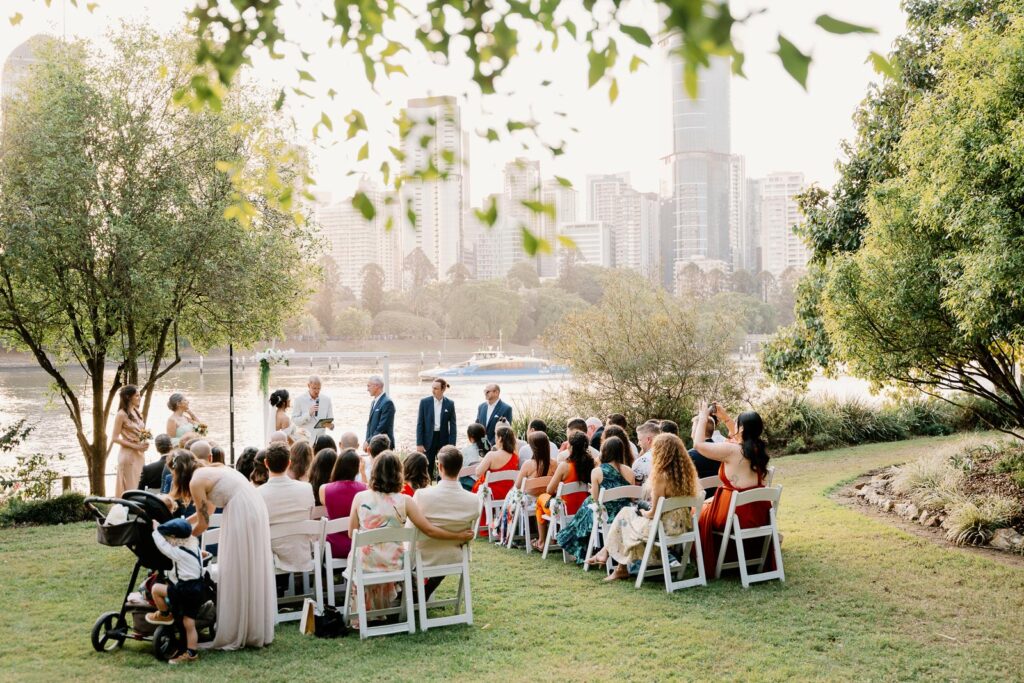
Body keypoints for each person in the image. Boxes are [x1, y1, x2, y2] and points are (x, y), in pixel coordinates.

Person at [347, 451, 474, 618]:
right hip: (395, 563)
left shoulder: (359, 498)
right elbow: (428, 529)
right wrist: (458, 537)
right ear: (398, 473)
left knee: (360, 554)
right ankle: (396, 606)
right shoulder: (406, 501)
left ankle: (369, 611)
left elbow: (351, 534)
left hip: (365, 563)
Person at [169, 451, 275, 649]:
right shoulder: (210, 470)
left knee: (237, 567)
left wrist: (178, 541)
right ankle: (250, 625)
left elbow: (203, 524)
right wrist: (179, 525)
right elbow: (207, 512)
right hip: (251, 506)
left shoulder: (196, 482)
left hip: (241, 510)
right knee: (246, 565)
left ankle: (239, 629)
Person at [588, 433, 699, 580]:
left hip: (664, 528)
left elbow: (653, 513)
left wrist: (642, 512)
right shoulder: (687, 475)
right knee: (626, 515)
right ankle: (612, 559)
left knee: (625, 515)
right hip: (683, 525)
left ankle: (611, 558)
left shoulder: (661, 476)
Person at [695, 405, 773, 577]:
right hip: (759, 512)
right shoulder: (757, 450)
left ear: (742, 428)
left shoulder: (732, 450)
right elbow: (738, 436)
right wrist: (726, 418)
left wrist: (703, 417)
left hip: (736, 515)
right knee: (707, 505)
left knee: (697, 512)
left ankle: (705, 561)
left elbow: (699, 445)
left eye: (737, 423)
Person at [411, 446, 480, 599]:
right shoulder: (474, 500)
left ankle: (412, 595)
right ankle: (419, 594)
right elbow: (469, 534)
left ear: (439, 467)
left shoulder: (421, 495)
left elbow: (410, 531)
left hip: (422, 557)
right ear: (460, 468)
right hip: (455, 557)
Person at [557, 435, 636, 563]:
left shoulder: (597, 472)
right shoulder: (630, 471)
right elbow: (632, 498)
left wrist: (592, 490)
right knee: (586, 507)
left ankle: (579, 549)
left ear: (604, 451)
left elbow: (595, 500)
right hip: (624, 515)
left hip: (606, 516)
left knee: (587, 506)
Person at [147, 517, 207, 665]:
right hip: (198, 588)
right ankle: (191, 653)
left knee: (156, 589)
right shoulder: (194, 546)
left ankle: (164, 614)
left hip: (185, 590)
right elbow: (199, 554)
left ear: (173, 538)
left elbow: (163, 547)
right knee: (189, 622)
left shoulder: (178, 552)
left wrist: (156, 531)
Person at [257, 443, 316, 575]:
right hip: (302, 549)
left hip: (271, 553)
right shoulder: (306, 488)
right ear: (289, 463)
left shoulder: (258, 493)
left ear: (266, 463)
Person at [534, 431, 593, 551]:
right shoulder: (591, 464)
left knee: (541, 499)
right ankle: (551, 539)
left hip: (565, 510)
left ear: (570, 447)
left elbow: (549, 490)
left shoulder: (565, 466)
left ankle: (541, 541)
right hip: (584, 509)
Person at [320, 449, 366, 560]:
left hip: (333, 547)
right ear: (356, 469)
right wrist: (363, 473)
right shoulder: (364, 488)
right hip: (357, 546)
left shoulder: (324, 489)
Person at [416, 378, 457, 481]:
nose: (433, 390)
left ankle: (441, 487)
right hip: (428, 439)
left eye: (436, 388)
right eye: (432, 388)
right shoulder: (424, 402)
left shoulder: (450, 404)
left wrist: (452, 445)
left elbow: (453, 426)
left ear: (443, 389)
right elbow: (420, 424)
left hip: (444, 439)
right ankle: (427, 488)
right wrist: (419, 443)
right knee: (427, 466)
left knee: (444, 467)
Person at [112, 385, 149, 497]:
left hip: (139, 454)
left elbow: (140, 431)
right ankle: (127, 511)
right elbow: (114, 438)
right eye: (137, 395)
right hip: (128, 455)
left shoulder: (137, 412)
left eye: (139, 395)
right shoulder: (121, 414)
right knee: (131, 488)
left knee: (140, 486)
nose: (140, 397)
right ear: (128, 397)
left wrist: (144, 441)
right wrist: (135, 446)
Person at [689, 411, 723, 500]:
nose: (691, 433)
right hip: (718, 501)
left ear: (698, 430)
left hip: (697, 505)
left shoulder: (689, 456)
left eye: (692, 429)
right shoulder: (723, 453)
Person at [292, 376, 335, 443]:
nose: (317, 391)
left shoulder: (327, 400)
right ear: (308, 386)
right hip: (305, 440)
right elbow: (295, 421)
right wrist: (308, 414)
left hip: (321, 441)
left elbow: (330, 419)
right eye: (314, 388)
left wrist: (331, 426)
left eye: (319, 388)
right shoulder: (299, 400)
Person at [364, 375, 395, 451]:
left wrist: (369, 441)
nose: (367, 389)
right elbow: (369, 424)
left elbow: (382, 427)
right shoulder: (374, 402)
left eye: (369, 386)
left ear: (376, 386)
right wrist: (367, 440)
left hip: (383, 446)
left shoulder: (387, 403)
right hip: (374, 445)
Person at [631, 421, 662, 486]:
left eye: (640, 440)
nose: (638, 443)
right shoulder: (672, 455)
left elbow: (635, 488)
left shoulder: (641, 461)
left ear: (648, 440)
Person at [459, 423, 487, 490]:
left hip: (468, 487)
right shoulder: (489, 451)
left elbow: (460, 470)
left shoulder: (464, 451)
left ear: (471, 438)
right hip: (485, 485)